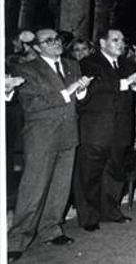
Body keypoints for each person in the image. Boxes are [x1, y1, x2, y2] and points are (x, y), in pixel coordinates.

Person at [7, 29, 92, 262]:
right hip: (41, 136)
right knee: (33, 188)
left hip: (68, 133)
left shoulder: (71, 65)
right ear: (36, 47)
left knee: (60, 188)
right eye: (48, 41)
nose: (56, 43)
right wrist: (69, 91)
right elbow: (33, 104)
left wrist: (81, 91)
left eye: (57, 39)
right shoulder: (26, 70)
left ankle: (51, 230)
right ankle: (17, 239)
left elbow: (77, 99)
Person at [74, 29, 136, 231]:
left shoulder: (128, 63)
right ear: (102, 43)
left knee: (115, 172)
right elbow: (96, 86)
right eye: (115, 40)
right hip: (96, 129)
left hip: (121, 128)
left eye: (122, 40)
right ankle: (89, 218)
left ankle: (111, 211)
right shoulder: (89, 62)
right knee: (89, 174)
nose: (121, 43)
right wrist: (125, 83)